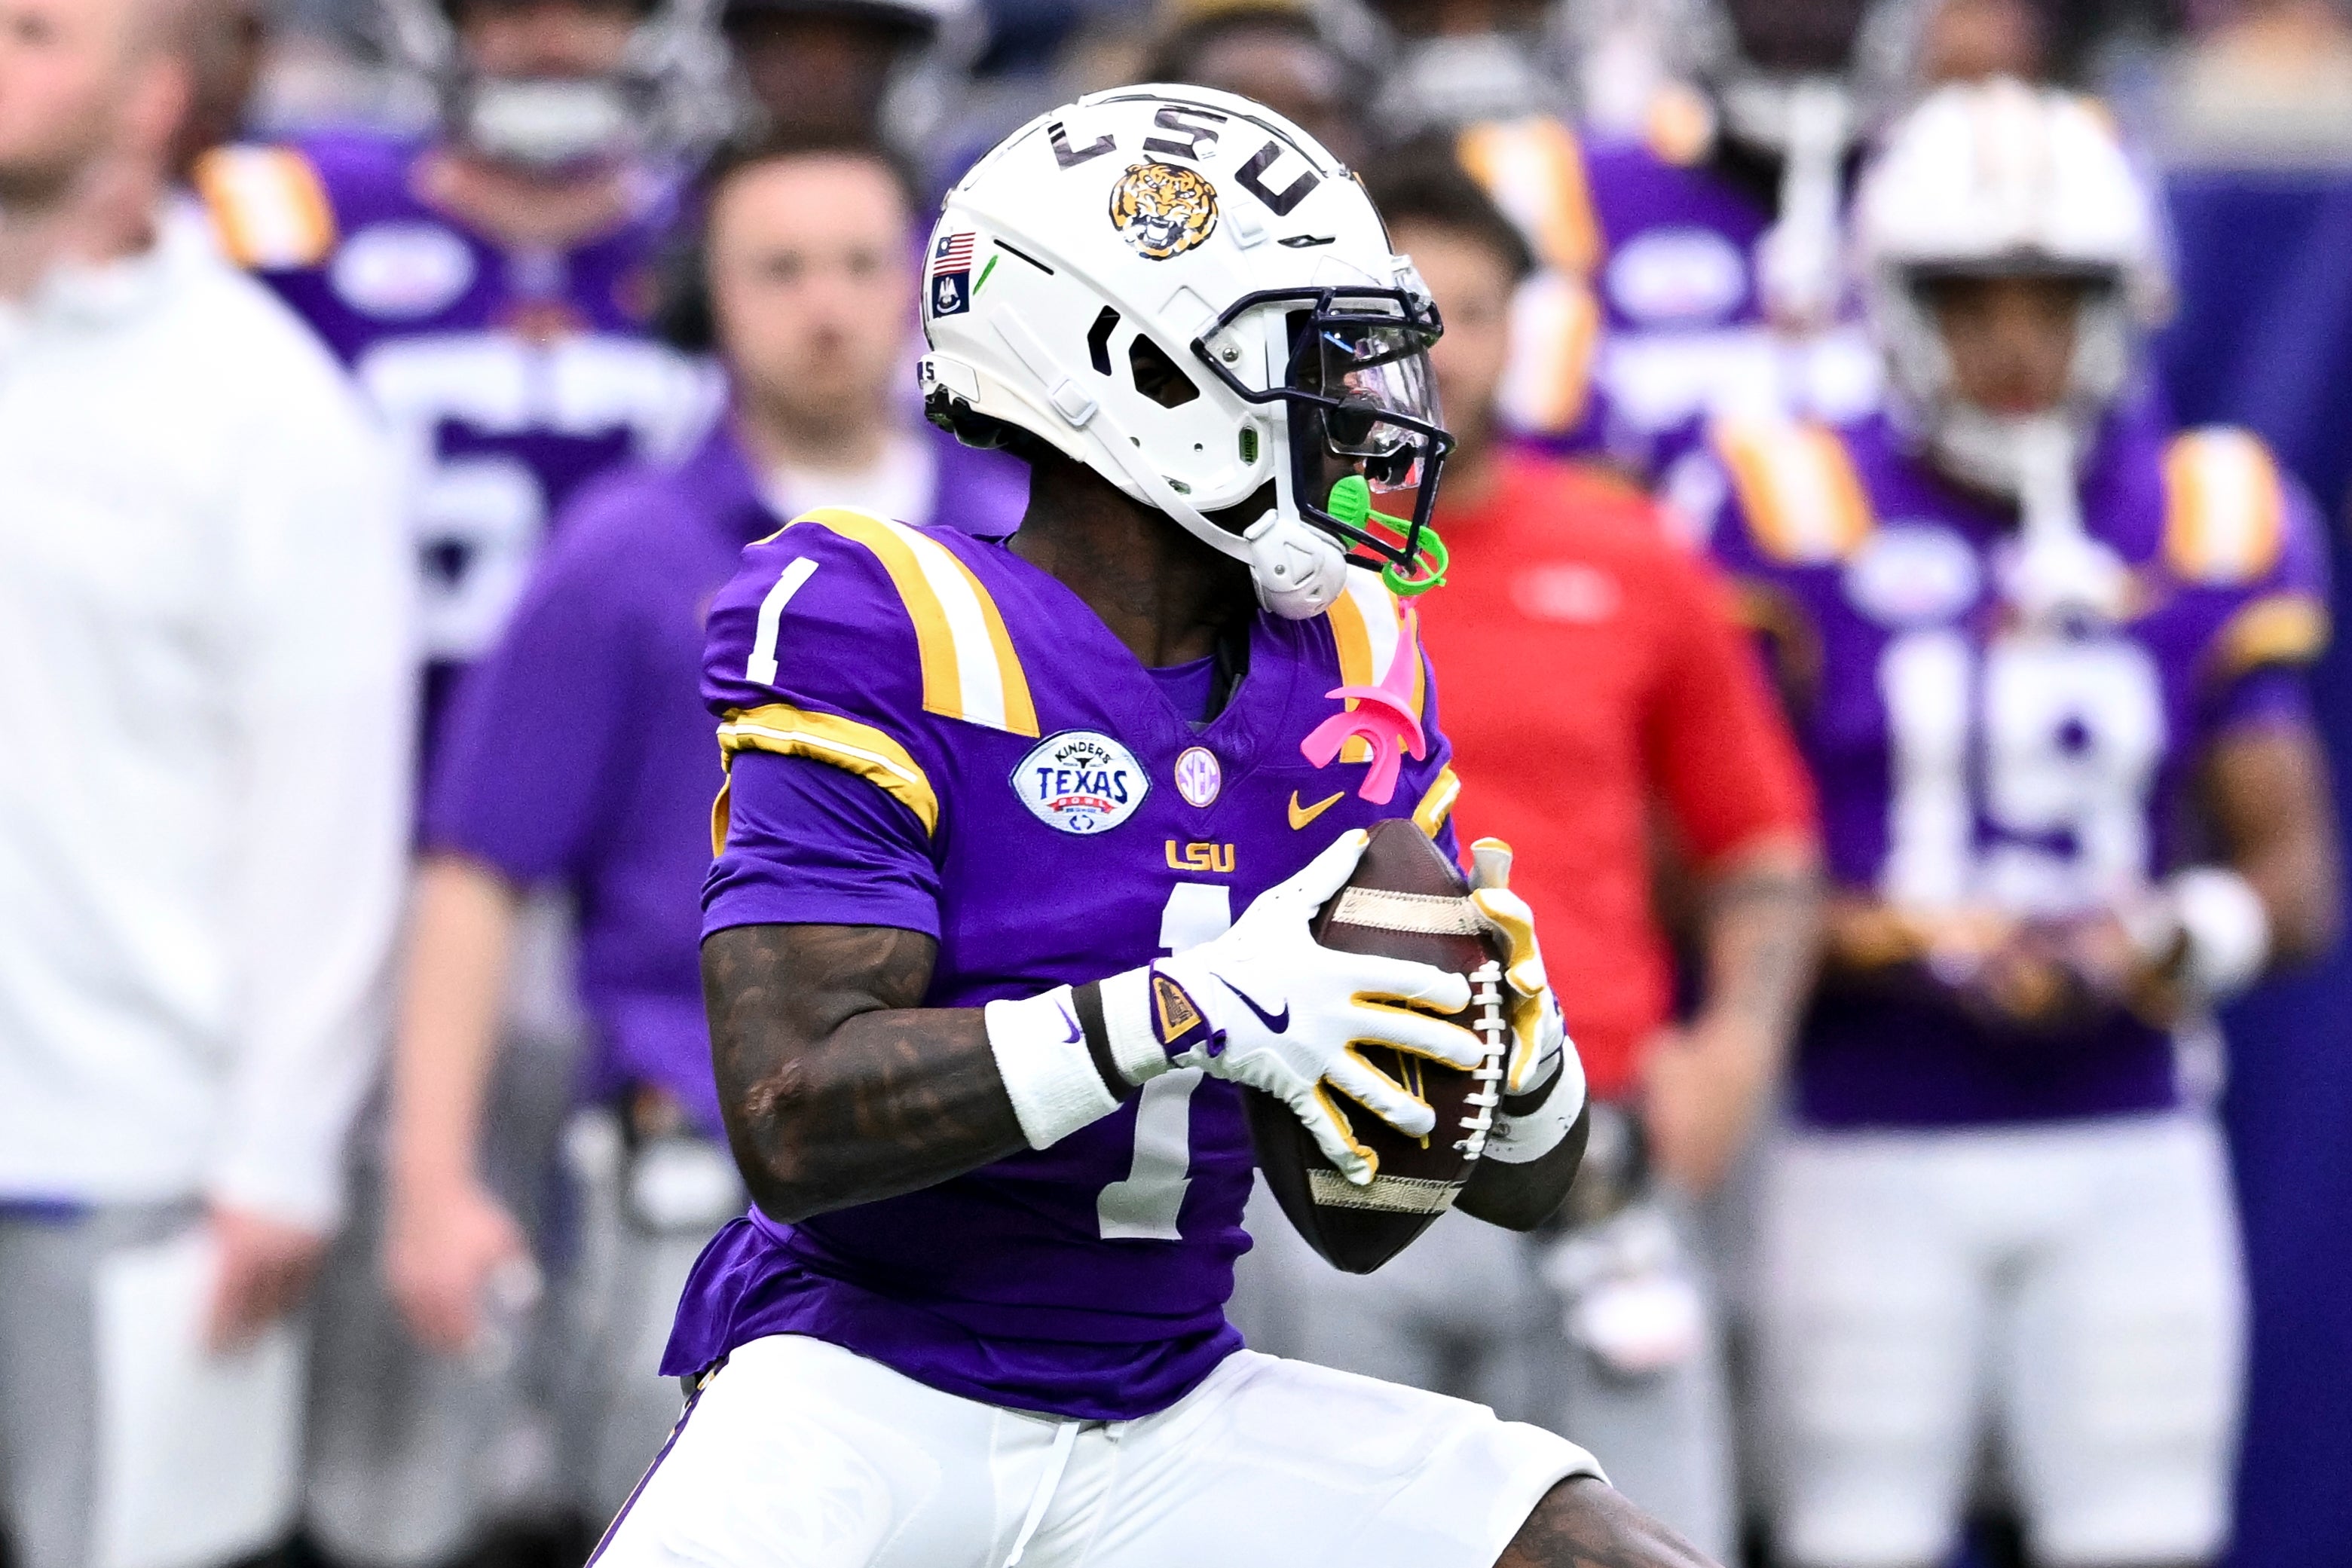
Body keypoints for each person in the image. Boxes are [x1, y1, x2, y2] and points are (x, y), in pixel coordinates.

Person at [592, 84, 1710, 1568]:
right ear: (1138, 368)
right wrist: (1191, 1009)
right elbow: (795, 1112)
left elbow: (1371, 1216)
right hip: (859, 1393)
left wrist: (1512, 1064)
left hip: (1170, 1402)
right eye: (1311, 359)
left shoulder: (1354, 652)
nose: (1367, 410)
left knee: (1591, 1549)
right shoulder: (887, 615)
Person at [1701, 79, 2341, 1568]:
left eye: (2051, 300)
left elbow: (2295, 875)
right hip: (1863, 1136)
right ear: (1890, 305)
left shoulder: (2206, 507)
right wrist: (1898, 939)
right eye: (1967, 299)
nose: (2010, 341)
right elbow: (1717, 859)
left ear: (2123, 307)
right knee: (1852, 1538)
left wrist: (2173, 936)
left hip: (2129, 1138)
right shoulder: (1786, 503)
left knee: (2141, 1537)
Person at [382, 127, 1029, 1527]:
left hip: (989, 1149)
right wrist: (430, 1180)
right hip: (705, 1166)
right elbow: (476, 870)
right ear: (706, 296)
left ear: (921, 285)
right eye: (777, 269)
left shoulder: (1018, 535)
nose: (824, 305)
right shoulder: (625, 553)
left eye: (859, 263)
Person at [1230, 148, 1823, 1565]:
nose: (1433, 356)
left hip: (1592, 1143)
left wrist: (1735, 1047)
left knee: (1647, 1543)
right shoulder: (1242, 569)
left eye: (1471, 314)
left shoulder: (1628, 553)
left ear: (1524, 330)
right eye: (1391, 319)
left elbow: (1760, 841)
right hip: (1321, 1128)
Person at [194, 4, 716, 1563]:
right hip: (365, 847)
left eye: (591, 6)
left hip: (651, 869)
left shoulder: (739, 235)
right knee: (382, 1328)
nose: (551, 38)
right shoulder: (283, 226)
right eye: (510, 5)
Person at [0, 2, 414, 1566]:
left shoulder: (265, 409)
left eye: (34, 32)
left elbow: (327, 812)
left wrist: (281, 1153)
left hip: (140, 1158)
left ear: (150, 96)